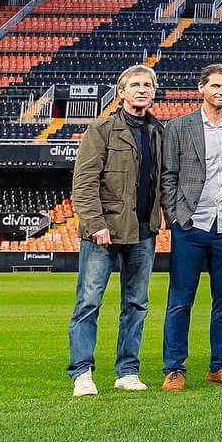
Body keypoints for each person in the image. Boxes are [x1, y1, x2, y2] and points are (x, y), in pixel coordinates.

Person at [67, 63, 165, 396]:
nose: (142, 90)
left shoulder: (158, 131)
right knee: (88, 303)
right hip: (104, 231)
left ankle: (127, 371)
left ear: (154, 93)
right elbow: (84, 182)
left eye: (148, 85)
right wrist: (95, 223)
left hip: (143, 232)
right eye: (135, 85)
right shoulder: (102, 129)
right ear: (121, 92)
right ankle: (82, 372)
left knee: (136, 304)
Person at [159, 63, 222, 390]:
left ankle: (220, 367)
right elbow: (168, 175)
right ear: (201, 87)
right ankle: (174, 369)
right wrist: (174, 216)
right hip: (191, 225)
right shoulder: (179, 126)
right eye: (215, 85)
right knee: (180, 300)